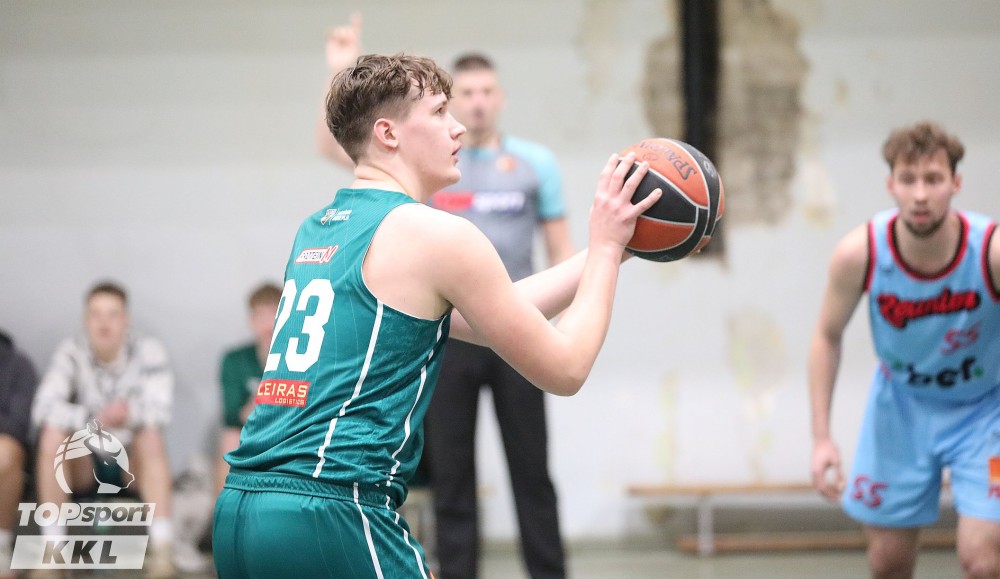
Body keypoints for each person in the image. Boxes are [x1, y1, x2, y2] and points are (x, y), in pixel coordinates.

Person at [212, 52, 660, 578]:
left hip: (241, 511)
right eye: (439, 112)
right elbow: (566, 367)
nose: (458, 127)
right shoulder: (435, 234)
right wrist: (604, 250)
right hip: (334, 509)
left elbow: (500, 312)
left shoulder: (319, 227)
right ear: (388, 133)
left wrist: (619, 248)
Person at [317, 21, 574, 577]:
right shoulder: (433, 165)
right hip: (447, 331)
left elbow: (561, 250)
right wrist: (341, 69)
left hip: (515, 324)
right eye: (464, 95)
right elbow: (346, 147)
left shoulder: (535, 164)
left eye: (486, 92)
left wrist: (555, 326)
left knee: (532, 470)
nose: (475, 104)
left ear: (500, 99)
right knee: (453, 474)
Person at [809, 121, 1000, 579]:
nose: (920, 194)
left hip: (985, 414)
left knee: (983, 560)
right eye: (908, 179)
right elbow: (826, 336)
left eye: (933, 179)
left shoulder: (990, 251)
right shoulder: (859, 254)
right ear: (890, 183)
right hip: (900, 410)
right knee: (887, 563)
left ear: (955, 183)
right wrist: (821, 438)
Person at [31, 281, 177, 577]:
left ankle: (163, 551)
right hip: (86, 461)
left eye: (112, 314)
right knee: (51, 435)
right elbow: (42, 408)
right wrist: (93, 417)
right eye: (96, 314)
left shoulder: (148, 350)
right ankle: (53, 553)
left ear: (126, 319)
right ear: (86, 320)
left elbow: (162, 411)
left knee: (151, 436)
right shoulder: (71, 351)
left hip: (131, 461)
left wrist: (128, 415)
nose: (104, 323)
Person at [215, 282, 282, 497]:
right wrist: (261, 401)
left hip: (289, 430)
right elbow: (232, 416)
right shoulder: (235, 360)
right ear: (251, 321)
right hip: (252, 431)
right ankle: (223, 507)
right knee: (230, 438)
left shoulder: (300, 360)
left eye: (274, 315)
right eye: (261, 317)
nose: (268, 325)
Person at [0, 329, 38, 579]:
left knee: (6, 451)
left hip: (5, 449)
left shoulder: (18, 366)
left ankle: (1, 546)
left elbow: (18, 424)